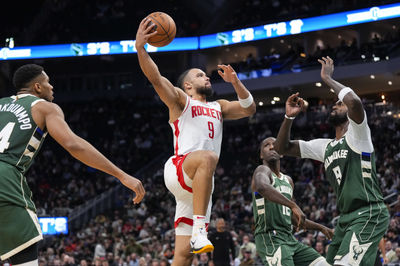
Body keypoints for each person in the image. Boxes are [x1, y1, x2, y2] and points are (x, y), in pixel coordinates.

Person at [135, 18, 256, 265]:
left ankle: (195, 236)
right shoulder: (181, 101)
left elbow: (249, 108)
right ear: (188, 86)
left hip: (201, 184)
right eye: (200, 75)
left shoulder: (219, 106)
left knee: (184, 255)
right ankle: (200, 232)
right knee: (209, 157)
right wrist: (140, 49)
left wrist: (236, 82)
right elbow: (157, 79)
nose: (207, 77)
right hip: (181, 168)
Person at [0, 64, 145, 266]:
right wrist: (121, 175)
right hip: (5, 175)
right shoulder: (44, 107)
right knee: (24, 248)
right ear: (37, 88)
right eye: (48, 82)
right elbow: (73, 144)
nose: (52, 87)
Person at [274, 56, 390, 265]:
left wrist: (327, 78)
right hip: (346, 219)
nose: (335, 106)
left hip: (369, 212)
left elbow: (353, 101)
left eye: (339, 103)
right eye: (335, 104)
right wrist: (289, 117)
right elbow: (282, 148)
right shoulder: (324, 146)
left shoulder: (359, 134)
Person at [252, 137, 333, 266]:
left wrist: (321, 228)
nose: (272, 147)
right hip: (270, 238)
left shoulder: (288, 180)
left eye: (275, 144)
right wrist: (293, 205)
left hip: (289, 239)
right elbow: (262, 186)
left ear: (282, 153)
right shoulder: (262, 170)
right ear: (261, 154)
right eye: (267, 145)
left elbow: (293, 218)